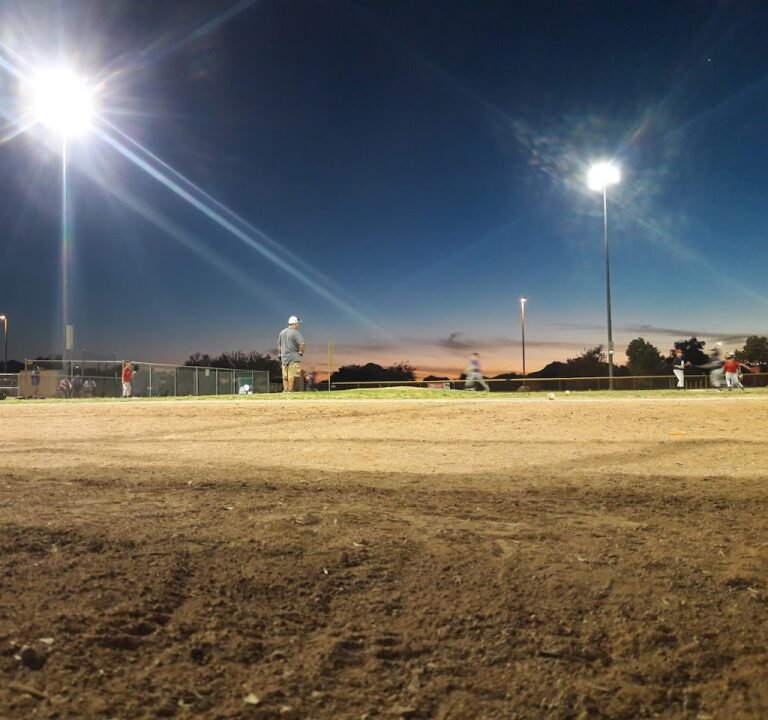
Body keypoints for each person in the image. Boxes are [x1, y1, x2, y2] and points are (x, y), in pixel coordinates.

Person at [277, 316, 305, 392]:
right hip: (293, 357)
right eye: (297, 323)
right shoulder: (295, 333)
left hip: (284, 357)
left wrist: (279, 354)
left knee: (285, 375)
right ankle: (290, 390)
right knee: (291, 374)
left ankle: (285, 390)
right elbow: (302, 344)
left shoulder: (282, 332)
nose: (298, 325)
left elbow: (279, 345)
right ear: (295, 323)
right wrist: (301, 352)